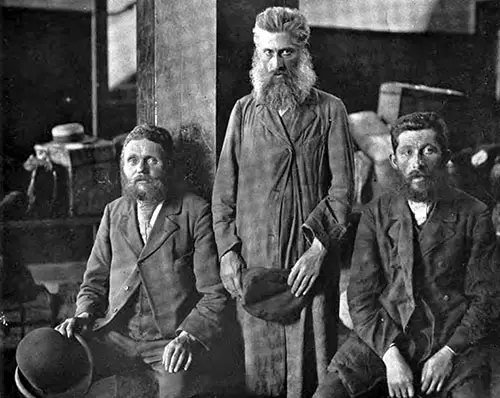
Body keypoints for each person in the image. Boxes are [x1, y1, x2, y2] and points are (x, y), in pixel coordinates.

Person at [212, 6, 355, 397]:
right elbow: (223, 191)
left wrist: (319, 249)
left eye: (287, 53)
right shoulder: (243, 112)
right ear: (257, 54)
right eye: (268, 53)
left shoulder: (330, 111)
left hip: (308, 265)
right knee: (259, 375)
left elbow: (342, 189)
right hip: (256, 266)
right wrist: (227, 252)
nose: (277, 64)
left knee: (312, 371)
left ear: (303, 51)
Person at [314, 112, 500, 398]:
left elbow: (486, 298)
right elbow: (360, 298)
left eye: (429, 150)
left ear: (446, 156)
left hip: (452, 341)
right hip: (385, 335)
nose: (417, 163)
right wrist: (390, 356)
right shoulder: (376, 214)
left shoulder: (475, 215)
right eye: (407, 152)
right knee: (328, 393)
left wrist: (448, 353)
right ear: (394, 161)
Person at [54, 124, 228, 397]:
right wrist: (83, 315)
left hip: (168, 342)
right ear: (123, 167)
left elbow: (214, 294)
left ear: (167, 166)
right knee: (56, 369)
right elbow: (93, 283)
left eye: (151, 160)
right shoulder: (114, 212)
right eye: (132, 160)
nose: (141, 169)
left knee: (177, 391)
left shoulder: (194, 212)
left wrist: (187, 337)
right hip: (116, 337)